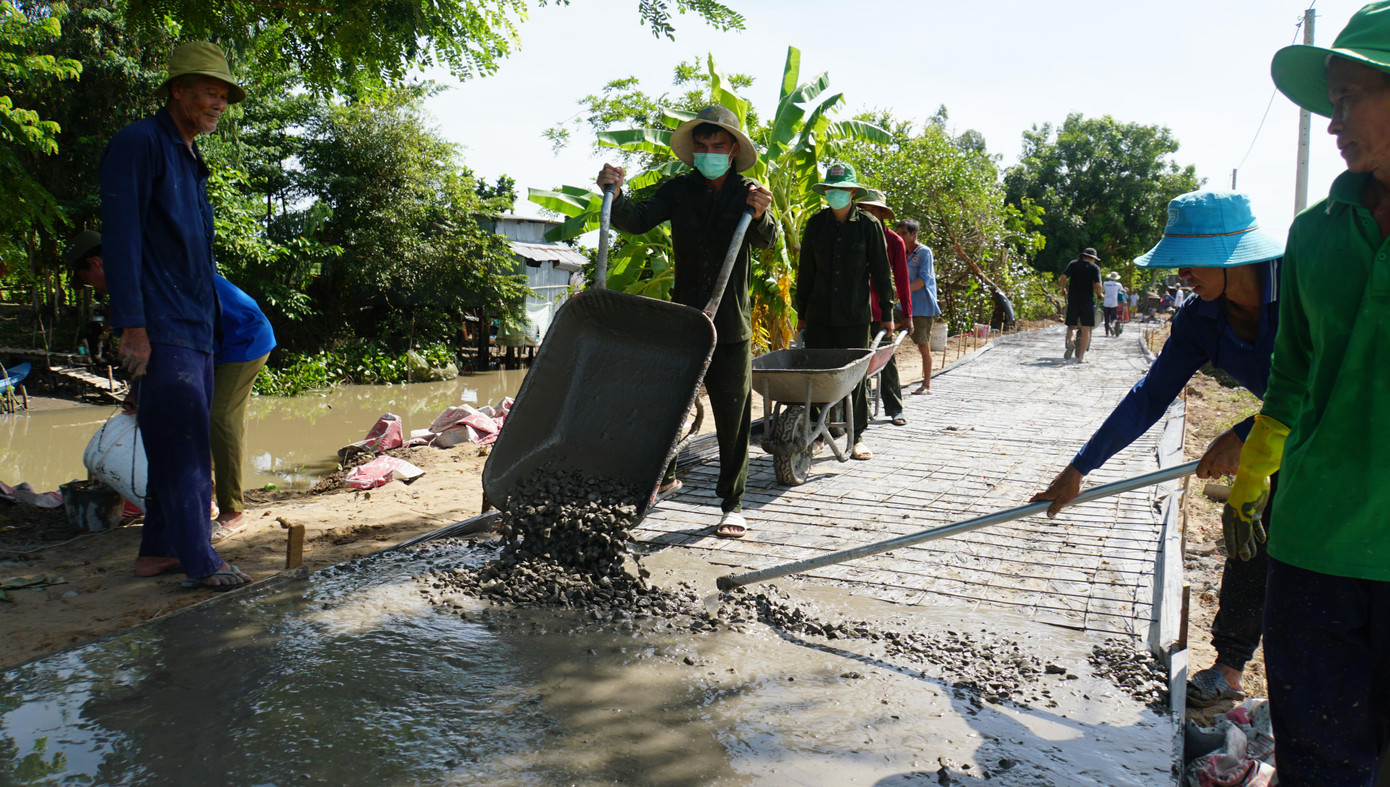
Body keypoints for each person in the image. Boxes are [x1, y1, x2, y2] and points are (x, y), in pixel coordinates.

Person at [1029, 190, 1284, 711]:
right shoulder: (1200, 318)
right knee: (1250, 539)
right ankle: (1230, 669)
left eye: (1187, 264)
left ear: (1229, 252)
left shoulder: (1305, 291)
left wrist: (1244, 432)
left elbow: (1333, 379)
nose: (1180, 277)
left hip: (1353, 428)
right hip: (1281, 441)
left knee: (1317, 568)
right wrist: (1080, 469)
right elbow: (1148, 398)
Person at [1227, 6, 1390, 780]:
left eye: (1352, 97)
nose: (1335, 123)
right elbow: (1292, 372)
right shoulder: (1318, 231)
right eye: (1332, 102)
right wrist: (1258, 461)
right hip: (1318, 541)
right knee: (1322, 758)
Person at [100, 41, 250, 589]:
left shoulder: (190, 157)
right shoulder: (140, 143)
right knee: (187, 448)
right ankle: (200, 559)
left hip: (196, 327)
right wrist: (133, 327)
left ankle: (160, 548)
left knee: (177, 438)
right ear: (177, 90)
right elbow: (120, 241)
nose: (217, 102)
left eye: (223, 95)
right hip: (161, 326)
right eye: (208, 91)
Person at [598, 104, 775, 539]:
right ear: (693, 151)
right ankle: (662, 478)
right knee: (667, 406)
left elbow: (767, 240)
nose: (709, 152)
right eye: (702, 146)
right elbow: (635, 220)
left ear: (733, 149)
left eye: (718, 145)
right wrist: (615, 194)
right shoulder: (678, 191)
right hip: (686, 324)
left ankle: (732, 503)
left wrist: (762, 213)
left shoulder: (748, 193)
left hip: (730, 326)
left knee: (733, 418)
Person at [64, 232, 276, 541]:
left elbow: (162, 337)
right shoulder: (130, 281)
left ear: (96, 263)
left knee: (220, 418)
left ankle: (233, 512)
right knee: (191, 417)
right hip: (207, 342)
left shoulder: (145, 273)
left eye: (87, 279)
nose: (93, 287)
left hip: (242, 337)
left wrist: (141, 389)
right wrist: (137, 392)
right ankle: (203, 500)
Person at [796, 163, 895, 460]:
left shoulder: (868, 225)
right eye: (831, 189)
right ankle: (817, 434)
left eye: (842, 190)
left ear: (852, 192)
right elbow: (806, 273)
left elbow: (880, 271)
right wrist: (802, 313)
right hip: (819, 314)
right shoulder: (816, 224)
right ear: (826, 191)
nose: (835, 194)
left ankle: (857, 436)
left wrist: (888, 313)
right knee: (817, 372)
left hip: (854, 315)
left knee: (856, 375)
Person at [856, 190, 912, 426]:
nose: (867, 214)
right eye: (864, 209)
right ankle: (861, 408)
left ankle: (895, 408)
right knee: (858, 360)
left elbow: (901, 279)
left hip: (881, 311)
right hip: (855, 309)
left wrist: (907, 315)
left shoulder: (893, 241)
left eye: (871, 210)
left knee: (885, 358)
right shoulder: (853, 235)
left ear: (880, 213)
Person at [899, 218, 941, 394]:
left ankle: (926, 385)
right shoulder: (902, 252)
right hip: (904, 305)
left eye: (903, 234)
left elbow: (922, 281)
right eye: (898, 234)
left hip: (922, 306)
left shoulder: (924, 253)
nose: (900, 237)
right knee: (883, 328)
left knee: (923, 345)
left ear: (914, 234)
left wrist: (900, 291)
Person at [1059, 248, 1103, 361]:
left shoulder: (1073, 264)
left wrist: (1063, 289)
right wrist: (1100, 294)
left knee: (1071, 325)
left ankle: (1071, 341)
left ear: (1083, 256)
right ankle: (1081, 358)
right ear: (1092, 258)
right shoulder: (1094, 268)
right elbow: (1098, 284)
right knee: (1086, 329)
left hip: (1073, 299)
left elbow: (1063, 277)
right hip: (1087, 300)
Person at [1101, 271, 1124, 336]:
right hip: (1114, 303)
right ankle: (1112, 325)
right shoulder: (1118, 284)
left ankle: (1106, 333)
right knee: (1114, 317)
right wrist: (1125, 291)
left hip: (1106, 303)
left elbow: (1104, 290)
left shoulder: (1105, 283)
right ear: (1116, 278)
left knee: (1106, 318)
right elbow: (1122, 290)